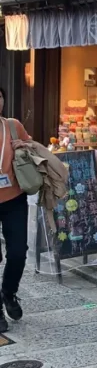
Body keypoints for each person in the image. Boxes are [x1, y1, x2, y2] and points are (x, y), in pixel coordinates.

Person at [0, 88, 31, 334]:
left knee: (19, 252)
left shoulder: (12, 126)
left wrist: (25, 145)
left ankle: (9, 293)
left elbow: (33, 149)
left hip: (14, 198)